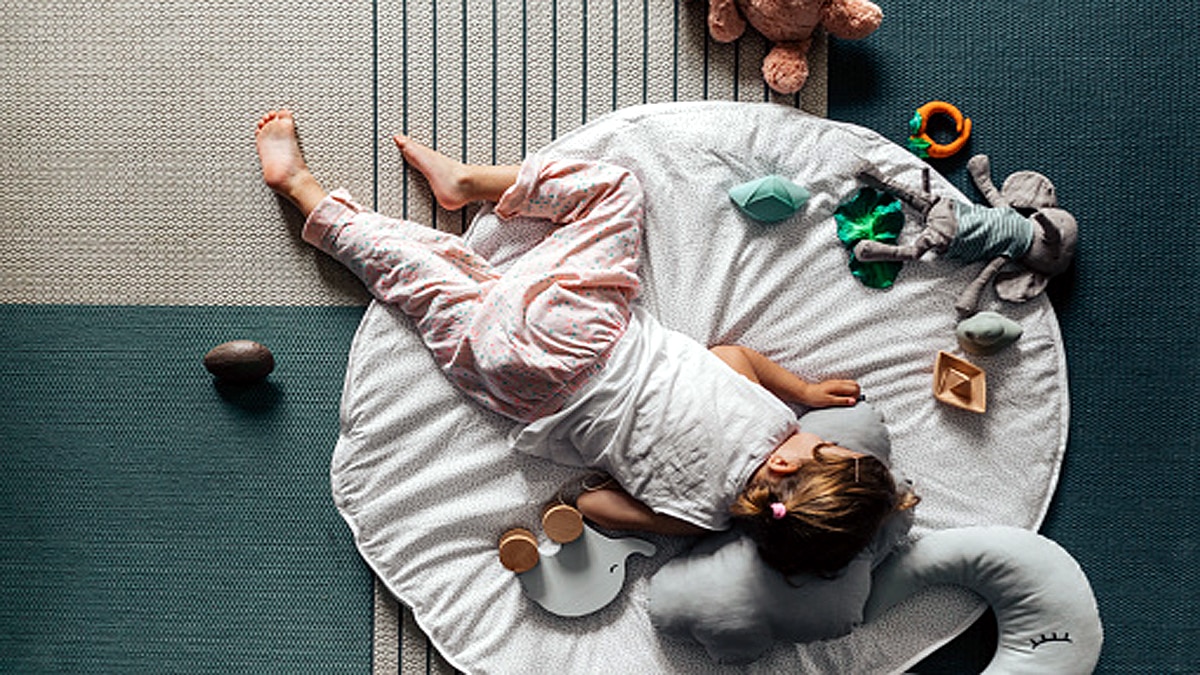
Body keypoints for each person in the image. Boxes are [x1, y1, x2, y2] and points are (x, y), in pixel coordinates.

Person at [255, 109, 917, 576]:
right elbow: (590, 504)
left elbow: (728, 358)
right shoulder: (700, 519)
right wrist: (621, 471)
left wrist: (802, 390)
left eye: (830, 445)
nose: (825, 434)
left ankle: (470, 183)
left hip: (588, 326)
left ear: (790, 466)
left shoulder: (773, 421)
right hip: (524, 385)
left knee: (616, 191)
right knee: (420, 279)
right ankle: (306, 193)